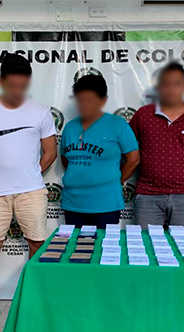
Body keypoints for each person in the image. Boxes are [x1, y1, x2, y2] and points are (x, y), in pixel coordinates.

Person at [0, 53, 57, 327]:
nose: (17, 90)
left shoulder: (40, 112)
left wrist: (30, 175)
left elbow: (50, 152)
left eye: (22, 85)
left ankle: (35, 302)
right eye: (12, 85)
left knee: (37, 243)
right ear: (1, 81)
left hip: (31, 191)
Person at [129, 62, 184, 228]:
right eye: (166, 84)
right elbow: (130, 152)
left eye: (176, 84)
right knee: (146, 242)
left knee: (183, 243)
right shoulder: (143, 115)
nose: (171, 89)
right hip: (148, 195)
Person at [60, 75, 140, 228]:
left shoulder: (117, 124)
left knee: (104, 243)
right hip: (72, 203)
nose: (83, 105)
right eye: (80, 99)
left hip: (105, 204)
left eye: (89, 100)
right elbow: (66, 160)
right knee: (75, 244)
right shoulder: (70, 127)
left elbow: (133, 159)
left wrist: (114, 181)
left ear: (102, 100)